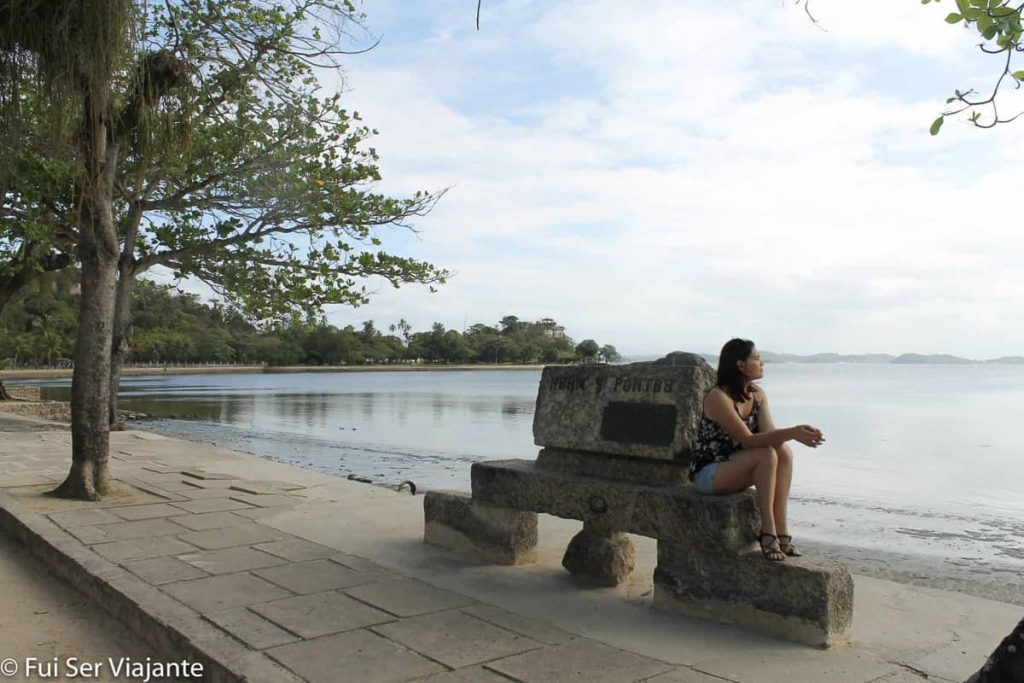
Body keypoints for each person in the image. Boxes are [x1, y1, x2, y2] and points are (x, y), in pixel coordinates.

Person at [689, 338, 825, 562]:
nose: (762, 364)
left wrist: (798, 433)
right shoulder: (718, 397)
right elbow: (749, 439)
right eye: (757, 359)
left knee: (782, 451)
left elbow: (770, 435)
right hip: (709, 473)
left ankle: (781, 530)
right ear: (740, 365)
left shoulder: (757, 394)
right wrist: (792, 432)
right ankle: (768, 532)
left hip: (734, 465)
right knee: (766, 454)